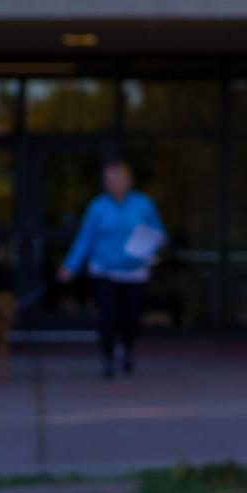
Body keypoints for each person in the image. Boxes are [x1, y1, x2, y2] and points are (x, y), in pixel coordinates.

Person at [57, 158, 167, 379]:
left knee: (130, 318)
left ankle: (126, 350)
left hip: (134, 271)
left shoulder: (143, 204)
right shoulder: (98, 206)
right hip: (104, 270)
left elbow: (160, 234)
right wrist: (71, 265)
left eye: (117, 178)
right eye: (108, 179)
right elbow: (85, 238)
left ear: (129, 180)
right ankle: (107, 358)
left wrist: (155, 243)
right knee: (108, 317)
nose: (112, 183)